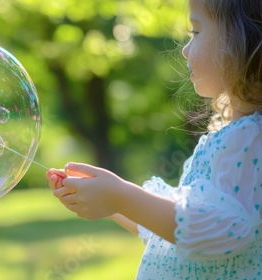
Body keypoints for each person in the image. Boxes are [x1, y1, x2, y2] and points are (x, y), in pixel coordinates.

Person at [46, 0, 262, 278]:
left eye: (196, 32)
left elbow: (224, 229)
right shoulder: (235, 137)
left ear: (242, 42)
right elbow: (171, 231)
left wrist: (122, 197)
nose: (184, 50)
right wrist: (109, 201)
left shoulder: (250, 139)